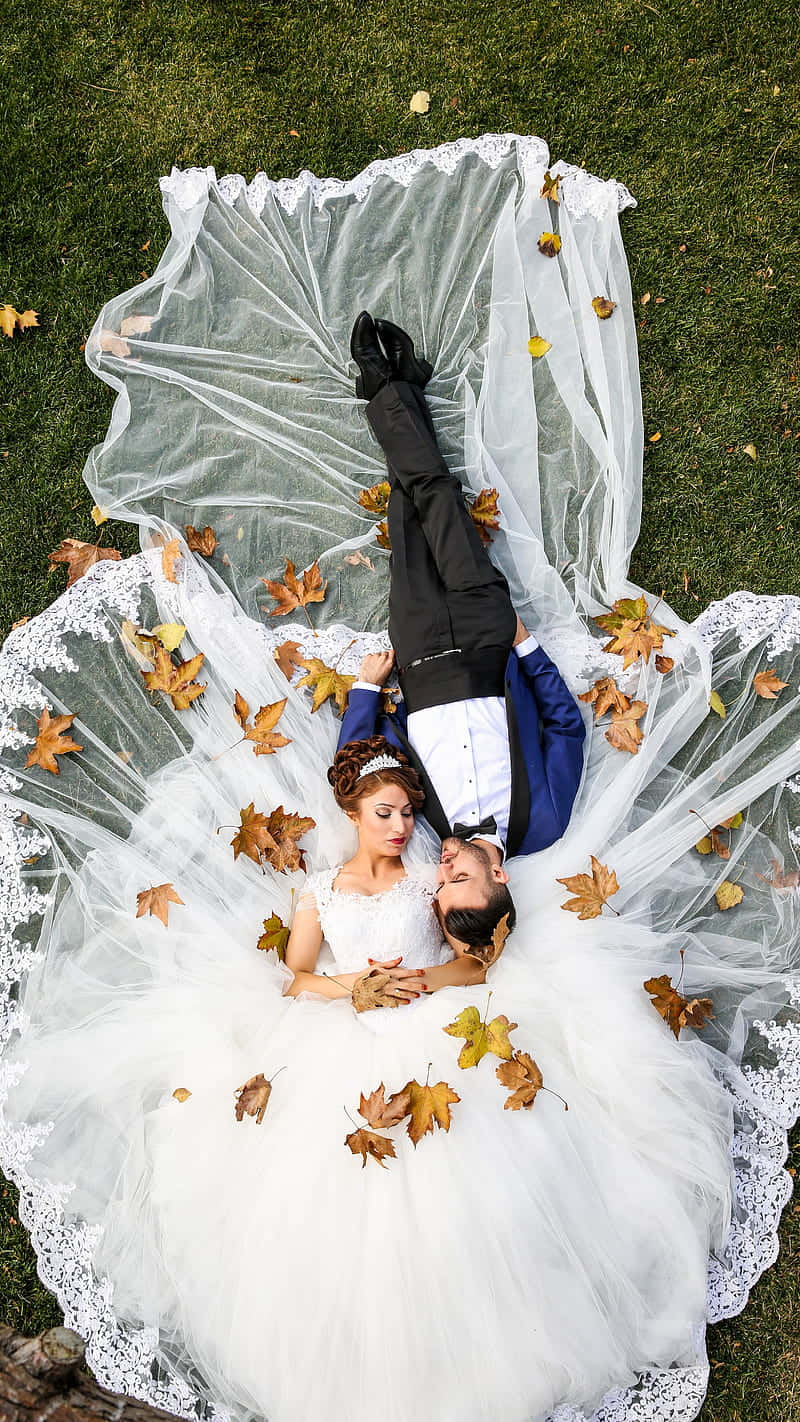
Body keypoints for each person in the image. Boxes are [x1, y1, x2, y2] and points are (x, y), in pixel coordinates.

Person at [1, 135, 798, 1422]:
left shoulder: (401, 847)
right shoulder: (457, 841)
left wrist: (361, 964)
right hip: (460, 686)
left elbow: (315, 958)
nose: (453, 860)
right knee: (432, 519)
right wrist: (419, 724)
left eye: (450, 861)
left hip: (389, 909)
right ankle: (400, 411)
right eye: (457, 861)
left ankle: (398, 417)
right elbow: (437, 871)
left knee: (415, 517)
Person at [338, 310, 588, 947]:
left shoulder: (419, 833)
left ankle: (401, 387)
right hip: (487, 639)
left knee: (408, 511)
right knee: (440, 502)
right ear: (498, 874)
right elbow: (563, 724)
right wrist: (526, 648)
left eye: (441, 886)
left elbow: (359, 771)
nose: (444, 871)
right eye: (461, 880)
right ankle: (381, 383)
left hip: (417, 655)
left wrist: (367, 694)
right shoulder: (546, 821)